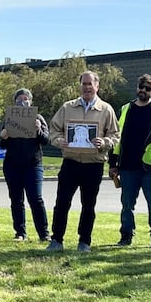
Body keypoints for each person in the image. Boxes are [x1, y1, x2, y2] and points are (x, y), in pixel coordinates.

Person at [46, 71, 119, 252]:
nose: (87, 87)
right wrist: (59, 141)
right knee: (62, 202)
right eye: (84, 84)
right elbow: (54, 130)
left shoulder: (106, 109)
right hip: (70, 163)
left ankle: (84, 241)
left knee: (89, 205)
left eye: (90, 84)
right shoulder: (67, 107)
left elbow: (116, 135)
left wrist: (105, 142)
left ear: (97, 86)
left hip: (93, 165)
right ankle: (56, 240)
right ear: (80, 86)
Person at [109, 74, 151, 249]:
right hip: (127, 166)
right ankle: (126, 236)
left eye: (148, 88)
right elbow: (116, 138)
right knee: (127, 204)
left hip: (150, 168)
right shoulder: (125, 110)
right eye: (141, 86)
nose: (143, 90)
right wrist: (113, 164)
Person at [0, 88, 50, 242]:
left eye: (26, 98)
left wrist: (38, 129)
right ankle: (20, 233)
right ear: (15, 102)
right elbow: (2, 145)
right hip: (12, 165)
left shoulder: (38, 118)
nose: (23, 101)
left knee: (36, 198)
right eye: (19, 99)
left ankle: (44, 234)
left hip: (33, 164)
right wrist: (3, 137)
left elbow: (46, 140)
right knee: (16, 199)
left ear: (31, 101)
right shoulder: (10, 118)